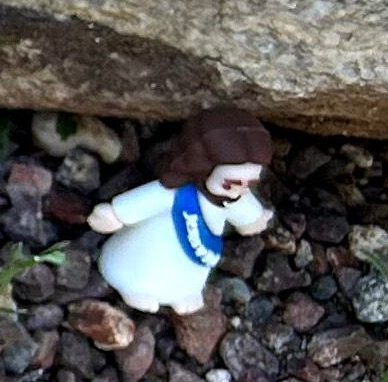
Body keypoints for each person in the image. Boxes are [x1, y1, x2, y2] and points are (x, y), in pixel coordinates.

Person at [85, 109, 276, 316]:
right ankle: (132, 287)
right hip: (145, 250)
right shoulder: (172, 194)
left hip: (195, 259)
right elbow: (145, 201)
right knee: (141, 266)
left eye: (248, 184)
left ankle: (183, 292)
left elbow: (246, 214)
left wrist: (255, 219)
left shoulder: (237, 198)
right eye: (231, 183)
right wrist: (115, 214)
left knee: (188, 273)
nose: (240, 190)